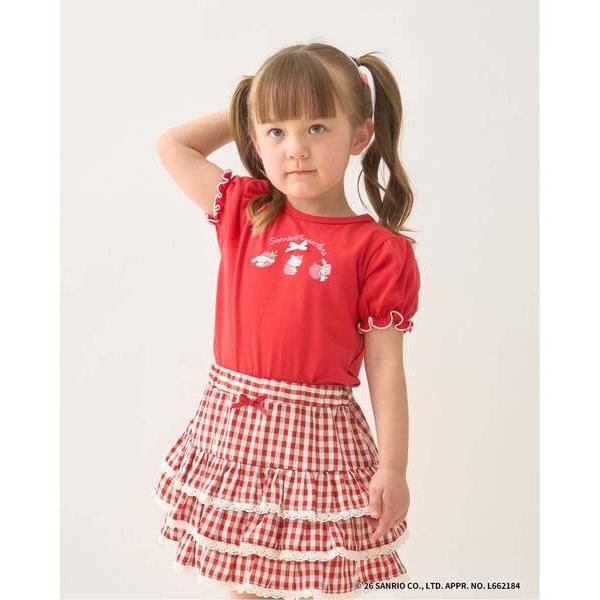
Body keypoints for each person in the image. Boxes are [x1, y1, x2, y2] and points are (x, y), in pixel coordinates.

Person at [150, 42, 421, 600]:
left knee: (317, 582)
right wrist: (252, 103)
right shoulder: (246, 211)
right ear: (255, 139)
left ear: (360, 135)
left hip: (317, 445)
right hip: (234, 432)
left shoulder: (377, 249)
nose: (295, 148)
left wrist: (392, 468)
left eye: (317, 127)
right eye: (276, 131)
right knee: (246, 586)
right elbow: (173, 146)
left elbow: (386, 368)